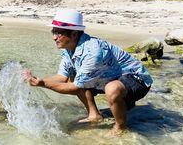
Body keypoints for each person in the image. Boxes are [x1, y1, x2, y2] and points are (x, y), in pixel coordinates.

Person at [22, 9, 153, 136]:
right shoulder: (68, 49)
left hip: (137, 80)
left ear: (73, 34)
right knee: (75, 76)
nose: (54, 38)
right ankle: (94, 115)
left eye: (58, 33)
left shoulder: (92, 51)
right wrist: (35, 80)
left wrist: (43, 84)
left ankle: (120, 127)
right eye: (53, 32)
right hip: (108, 79)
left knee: (111, 88)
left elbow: (75, 87)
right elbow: (61, 78)